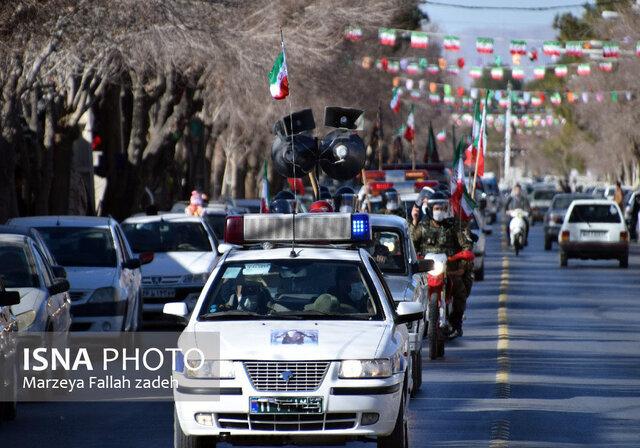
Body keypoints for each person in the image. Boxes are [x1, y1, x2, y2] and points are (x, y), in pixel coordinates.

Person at [409, 191, 474, 338]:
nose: (439, 211)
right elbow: (411, 245)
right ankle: (413, 324)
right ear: (431, 209)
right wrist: (413, 221)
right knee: (412, 293)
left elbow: (465, 246)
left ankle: (456, 323)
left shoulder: (452, 227)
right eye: (436, 208)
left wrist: (462, 262)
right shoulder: (423, 226)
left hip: (449, 270)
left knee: (460, 291)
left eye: (442, 208)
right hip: (426, 272)